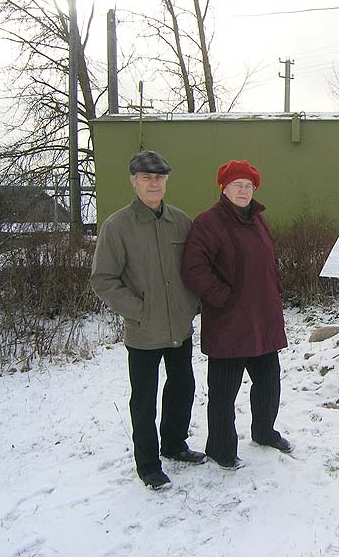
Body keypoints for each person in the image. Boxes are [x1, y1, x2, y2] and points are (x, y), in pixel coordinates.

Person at [90, 150, 204, 491]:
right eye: (145, 177)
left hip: (179, 327)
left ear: (166, 181)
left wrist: (193, 304)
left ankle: (173, 443)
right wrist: (138, 310)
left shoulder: (180, 221)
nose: (153, 183)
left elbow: (194, 268)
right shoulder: (118, 226)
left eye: (159, 178)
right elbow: (103, 279)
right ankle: (149, 465)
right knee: (144, 400)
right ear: (134, 181)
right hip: (143, 331)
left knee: (183, 388)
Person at [181, 159, 292, 470]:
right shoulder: (208, 223)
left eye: (248, 185)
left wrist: (275, 293)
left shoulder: (258, 220)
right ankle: (220, 448)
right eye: (237, 185)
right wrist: (223, 299)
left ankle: (264, 432)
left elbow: (269, 264)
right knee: (223, 392)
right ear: (224, 189)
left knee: (269, 384)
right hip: (229, 324)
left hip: (263, 320)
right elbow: (194, 269)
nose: (243, 190)